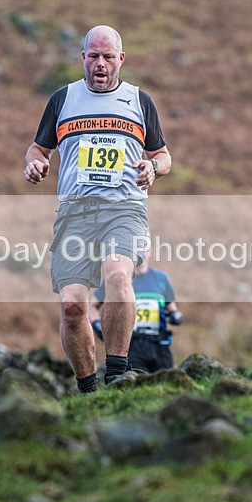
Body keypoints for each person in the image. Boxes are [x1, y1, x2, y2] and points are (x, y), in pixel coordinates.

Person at [24, 25, 172, 393]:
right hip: (74, 215)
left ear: (121, 59)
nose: (100, 64)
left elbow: (163, 155)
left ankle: (117, 373)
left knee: (117, 275)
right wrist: (35, 163)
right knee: (72, 306)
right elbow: (38, 148)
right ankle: (89, 391)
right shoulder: (63, 99)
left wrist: (153, 167)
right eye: (93, 56)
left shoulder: (139, 101)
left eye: (107, 57)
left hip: (124, 209)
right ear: (83, 58)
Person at [89, 242, 183, 373]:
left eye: (145, 247)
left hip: (160, 346)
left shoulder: (161, 278)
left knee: (167, 383)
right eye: (137, 247)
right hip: (131, 347)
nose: (141, 251)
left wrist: (176, 316)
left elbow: (173, 308)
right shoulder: (118, 278)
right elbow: (92, 306)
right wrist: (98, 326)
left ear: (150, 250)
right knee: (137, 383)